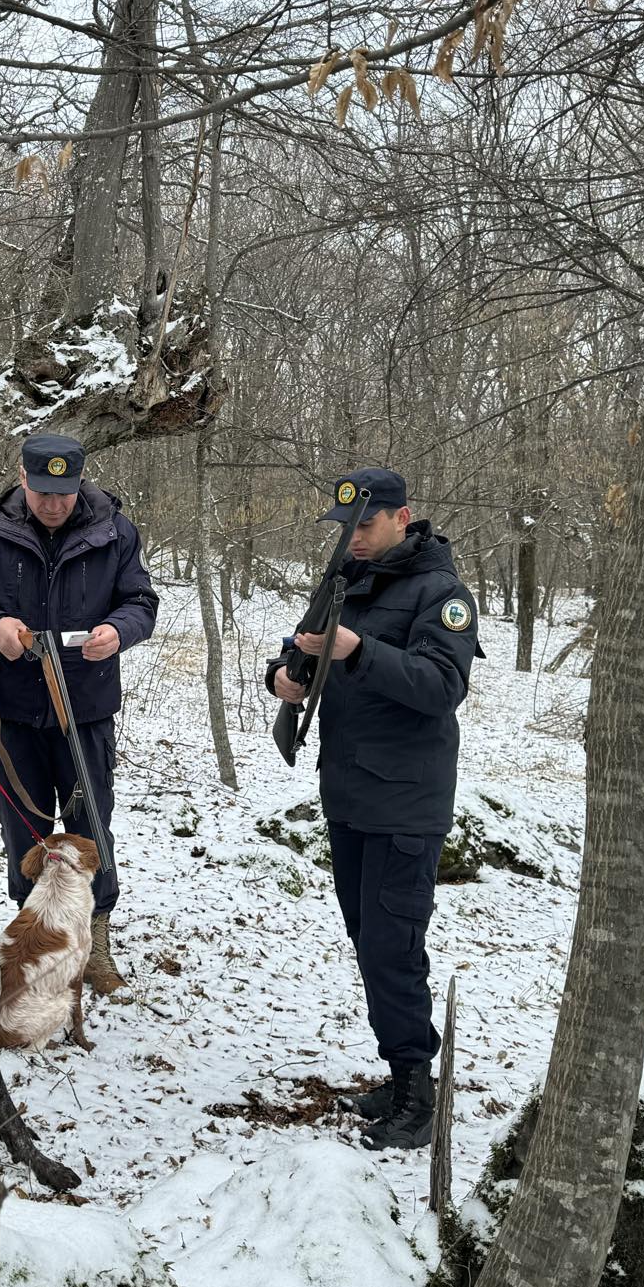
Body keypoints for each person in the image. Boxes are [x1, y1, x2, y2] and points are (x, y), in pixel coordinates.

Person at [264, 467, 481, 1151]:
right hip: (350, 794)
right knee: (370, 941)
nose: (353, 537)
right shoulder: (345, 581)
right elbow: (300, 645)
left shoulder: (441, 593)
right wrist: (283, 676)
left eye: (365, 525)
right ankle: (401, 1070)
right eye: (345, 527)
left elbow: (441, 686)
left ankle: (417, 1093)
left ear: (401, 517)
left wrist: (358, 652)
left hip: (405, 802)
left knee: (393, 947)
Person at [0, 433, 158, 995]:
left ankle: (94, 940)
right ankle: (31, 935)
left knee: (90, 827)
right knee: (23, 831)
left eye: (64, 492)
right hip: (12, 712)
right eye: (42, 493)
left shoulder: (114, 531)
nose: (54, 504)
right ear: (22, 479)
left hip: (86, 709)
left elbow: (141, 602)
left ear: (80, 483)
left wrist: (120, 631)